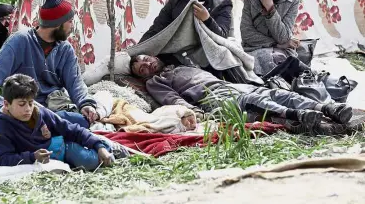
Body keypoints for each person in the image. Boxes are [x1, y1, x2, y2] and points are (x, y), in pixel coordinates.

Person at [129, 55, 354, 130]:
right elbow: (171, 98)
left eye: (145, 59)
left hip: (226, 85)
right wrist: (193, 111)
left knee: (275, 93)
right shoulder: (155, 81)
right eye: (141, 68)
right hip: (210, 97)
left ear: (154, 56)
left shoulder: (178, 63)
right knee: (251, 100)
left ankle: (327, 108)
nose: (146, 64)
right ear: (142, 75)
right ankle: (298, 116)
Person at [0, 0, 98, 127]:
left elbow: (75, 83)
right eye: (70, 21)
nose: (72, 26)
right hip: (23, 107)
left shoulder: (65, 49)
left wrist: (86, 104)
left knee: (81, 119)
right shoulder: (20, 41)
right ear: (58, 24)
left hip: (53, 107)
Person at [0, 74, 114, 170]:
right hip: (54, 152)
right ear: (6, 104)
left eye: (30, 103)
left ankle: (107, 146)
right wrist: (32, 157)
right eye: (22, 104)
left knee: (90, 153)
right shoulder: (1, 127)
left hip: (62, 142)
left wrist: (99, 147)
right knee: (89, 161)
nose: (28, 109)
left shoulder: (40, 113)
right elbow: (3, 158)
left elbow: (72, 129)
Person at [139, 0, 233, 66]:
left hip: (205, 61)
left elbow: (222, 37)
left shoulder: (222, 3)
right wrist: (137, 51)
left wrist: (207, 19)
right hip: (174, 56)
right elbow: (157, 28)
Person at [240, 0, 302, 76]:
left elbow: (283, 37)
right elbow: (246, 33)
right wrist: (275, 44)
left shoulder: (292, 0)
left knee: (282, 62)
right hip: (253, 49)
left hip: (282, 51)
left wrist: (271, 9)